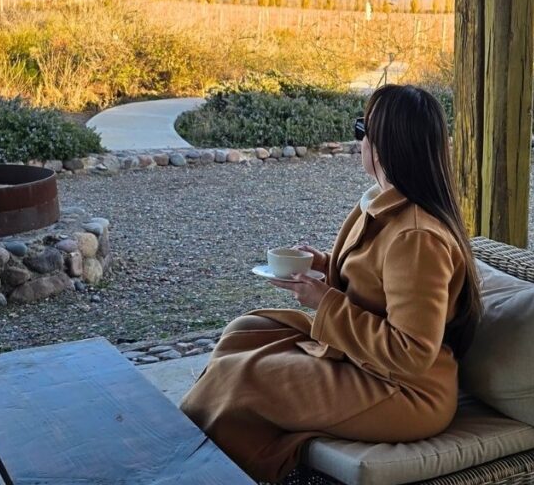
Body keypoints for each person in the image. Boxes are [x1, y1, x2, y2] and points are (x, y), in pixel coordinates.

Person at [180, 84, 483, 483]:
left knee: (242, 379)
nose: (359, 140)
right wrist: (325, 265)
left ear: (385, 145)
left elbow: (412, 352)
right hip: (362, 358)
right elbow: (377, 280)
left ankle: (186, 467)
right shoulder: (383, 203)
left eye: (362, 129)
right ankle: (226, 453)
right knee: (245, 332)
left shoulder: (416, 238)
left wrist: (324, 302)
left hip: (404, 390)